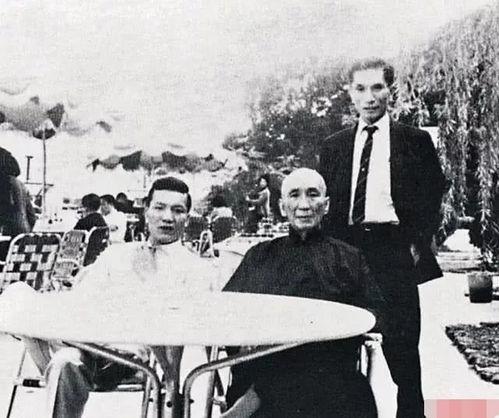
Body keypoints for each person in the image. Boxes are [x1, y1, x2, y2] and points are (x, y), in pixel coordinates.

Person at [12, 177, 221, 418]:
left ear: (187, 217)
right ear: (146, 210)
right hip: (85, 342)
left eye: (178, 210)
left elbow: (184, 326)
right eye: (159, 207)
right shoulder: (116, 253)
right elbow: (82, 299)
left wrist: (145, 281)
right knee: (57, 352)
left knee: (55, 351)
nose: (167, 217)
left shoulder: (195, 268)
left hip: (129, 356)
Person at [319, 58, 446, 418]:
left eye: (377, 87)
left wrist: (416, 240)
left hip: (392, 250)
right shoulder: (334, 146)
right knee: (339, 343)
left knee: (403, 347)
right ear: (350, 93)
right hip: (344, 250)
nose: (369, 97)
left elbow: (433, 192)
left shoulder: (414, 141)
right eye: (360, 88)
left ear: (391, 90)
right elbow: (326, 201)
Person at [222, 168, 387, 418]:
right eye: (294, 195)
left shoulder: (348, 258)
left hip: (331, 376)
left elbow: (377, 313)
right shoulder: (259, 256)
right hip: (266, 365)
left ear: (326, 205)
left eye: (312, 194)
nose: (304, 205)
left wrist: (335, 323)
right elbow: (228, 309)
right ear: (282, 206)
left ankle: (254, 400)